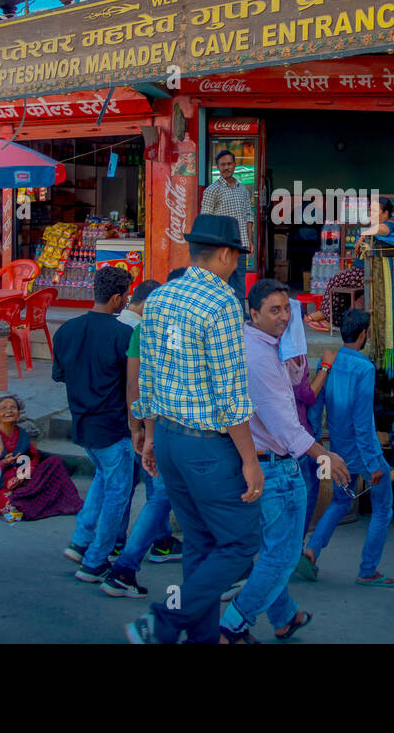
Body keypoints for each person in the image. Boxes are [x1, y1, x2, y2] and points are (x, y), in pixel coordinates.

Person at [125, 214, 264, 644]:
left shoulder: (161, 298)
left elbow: (148, 375)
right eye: (236, 256)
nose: (236, 265)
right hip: (206, 448)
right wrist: (250, 460)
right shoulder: (222, 301)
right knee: (242, 542)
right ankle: (164, 621)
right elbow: (230, 393)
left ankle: (194, 638)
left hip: (167, 437)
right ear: (225, 254)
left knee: (202, 547)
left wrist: (148, 435)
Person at [219, 279, 349, 642]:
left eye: (286, 309)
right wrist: (325, 455)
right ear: (254, 313)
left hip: (265, 463)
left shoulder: (258, 344)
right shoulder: (259, 357)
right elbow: (285, 426)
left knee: (272, 550)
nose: (283, 317)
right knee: (281, 557)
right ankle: (232, 624)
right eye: (274, 310)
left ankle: (284, 617)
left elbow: (290, 399)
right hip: (275, 468)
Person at [296, 308, 394, 587]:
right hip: (363, 451)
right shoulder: (364, 367)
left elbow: (315, 408)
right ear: (364, 334)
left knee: (341, 501)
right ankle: (368, 570)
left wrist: (316, 446)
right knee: (383, 509)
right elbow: (363, 421)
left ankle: (312, 551)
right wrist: (374, 462)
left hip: (337, 451)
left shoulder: (330, 362)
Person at [53, 266, 135, 583]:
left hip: (82, 422)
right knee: (117, 491)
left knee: (104, 479)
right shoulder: (123, 334)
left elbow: (61, 376)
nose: (126, 301)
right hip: (113, 426)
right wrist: (140, 428)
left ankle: (81, 540)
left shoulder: (65, 331)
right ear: (117, 297)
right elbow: (132, 388)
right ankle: (96, 559)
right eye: (125, 296)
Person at [103, 283, 183, 602]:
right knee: (163, 494)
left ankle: (136, 555)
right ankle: (125, 566)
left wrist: (138, 427)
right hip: (183, 429)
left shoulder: (144, 332)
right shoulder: (184, 334)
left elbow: (136, 386)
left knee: (160, 492)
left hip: (156, 426)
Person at [0, 395, 81, 521]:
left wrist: (24, 473)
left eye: (13, 407)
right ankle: (2, 502)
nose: (9, 410)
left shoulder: (23, 435)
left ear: (18, 415)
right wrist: (3, 463)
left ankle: (34, 498)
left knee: (54, 462)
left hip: (23, 480)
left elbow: (33, 457)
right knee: (14, 511)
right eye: (3, 408)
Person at [304, 196, 393, 331]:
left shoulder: (389, 225)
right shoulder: (373, 227)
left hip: (368, 273)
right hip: (362, 271)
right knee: (340, 286)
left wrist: (364, 234)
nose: (370, 213)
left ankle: (324, 315)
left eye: (375, 210)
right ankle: (333, 321)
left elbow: (384, 230)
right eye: (369, 210)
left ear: (386, 213)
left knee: (337, 279)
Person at [201, 150, 254, 311]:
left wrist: (249, 241)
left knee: (239, 283)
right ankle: (221, 317)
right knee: (221, 284)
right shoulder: (212, 190)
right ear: (217, 167)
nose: (226, 167)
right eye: (223, 164)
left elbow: (248, 216)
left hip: (240, 246)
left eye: (229, 164)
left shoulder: (242, 189)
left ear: (235, 166)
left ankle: (239, 316)